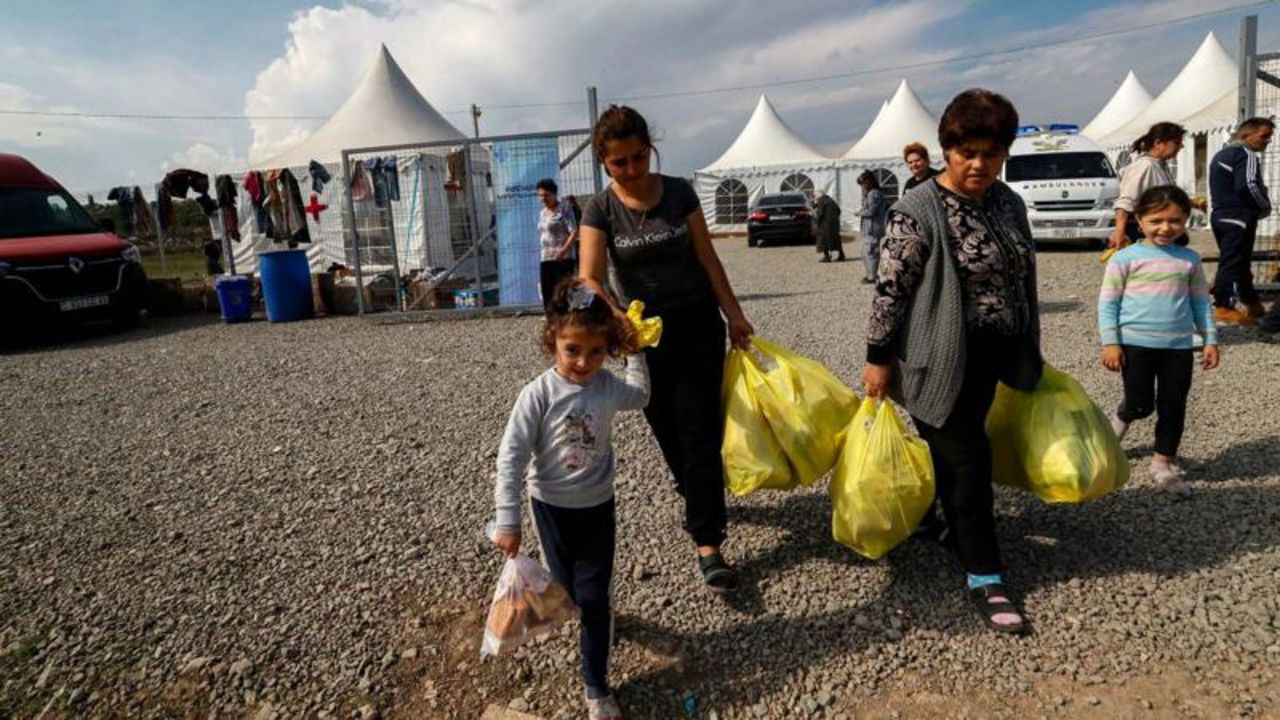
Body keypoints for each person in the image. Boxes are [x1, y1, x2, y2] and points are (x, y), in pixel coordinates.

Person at [863, 89, 1042, 635]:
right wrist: (877, 359)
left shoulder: (1008, 202)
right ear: (947, 150)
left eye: (991, 153)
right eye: (967, 153)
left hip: (995, 353)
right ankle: (984, 574)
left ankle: (942, 524)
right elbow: (890, 291)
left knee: (957, 451)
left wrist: (1031, 344)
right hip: (936, 359)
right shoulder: (917, 210)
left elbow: (1021, 274)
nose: (979, 164)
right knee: (970, 461)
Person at [579, 105, 754, 592]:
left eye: (639, 157)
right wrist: (615, 319)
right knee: (668, 430)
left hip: (698, 324)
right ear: (604, 163)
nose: (633, 170)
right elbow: (589, 277)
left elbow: (708, 258)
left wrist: (734, 314)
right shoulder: (600, 209)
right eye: (620, 163)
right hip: (642, 338)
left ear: (650, 149)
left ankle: (708, 542)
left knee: (699, 429)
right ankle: (698, 491)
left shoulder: (678, 192)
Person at [491, 278, 648, 720]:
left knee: (594, 598)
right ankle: (591, 613)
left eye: (596, 352)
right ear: (553, 342)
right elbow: (511, 457)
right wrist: (508, 518)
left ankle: (597, 685)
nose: (584, 362)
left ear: (607, 349)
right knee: (567, 591)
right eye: (572, 350)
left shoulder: (606, 387)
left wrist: (635, 352)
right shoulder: (537, 394)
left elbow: (641, 397)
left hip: (598, 507)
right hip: (550, 509)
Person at [1099, 185, 1219, 499]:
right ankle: (1117, 425)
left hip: (1178, 347)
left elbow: (1201, 303)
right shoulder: (1124, 259)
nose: (1166, 228)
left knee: (1173, 405)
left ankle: (1163, 461)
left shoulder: (1189, 259)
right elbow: (1108, 303)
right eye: (1156, 220)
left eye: (1175, 221)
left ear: (1185, 221)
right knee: (1139, 403)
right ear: (1140, 220)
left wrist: (1210, 340)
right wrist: (1110, 342)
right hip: (1135, 345)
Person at [1208, 116, 1275, 325]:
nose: (1267, 141)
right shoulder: (1245, 154)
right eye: (1264, 136)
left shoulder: (1221, 154)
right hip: (1238, 216)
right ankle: (1223, 305)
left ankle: (1251, 302)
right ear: (1246, 134)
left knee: (1238, 261)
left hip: (1220, 215)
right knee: (1233, 261)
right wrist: (1264, 205)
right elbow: (1248, 185)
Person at [1109, 122, 1186, 249]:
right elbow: (1126, 202)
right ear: (1158, 143)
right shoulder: (1145, 166)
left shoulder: (1159, 165)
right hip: (1143, 232)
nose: (1181, 146)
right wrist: (1119, 232)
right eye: (1176, 143)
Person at [536, 179, 579, 309]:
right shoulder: (542, 213)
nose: (543, 198)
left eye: (546, 195)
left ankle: (566, 321)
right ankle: (552, 321)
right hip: (546, 257)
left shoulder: (564, 209)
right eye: (540, 195)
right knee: (547, 291)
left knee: (563, 292)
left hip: (563, 258)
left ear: (554, 194)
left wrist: (564, 250)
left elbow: (574, 231)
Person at [857, 171, 888, 284]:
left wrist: (859, 213)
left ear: (868, 182)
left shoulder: (873, 194)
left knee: (870, 252)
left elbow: (871, 211)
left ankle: (872, 276)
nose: (862, 186)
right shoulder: (873, 193)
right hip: (871, 227)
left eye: (862, 184)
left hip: (873, 227)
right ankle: (871, 274)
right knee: (867, 251)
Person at [813, 189, 844, 263]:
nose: (814, 197)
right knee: (836, 240)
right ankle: (841, 255)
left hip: (825, 225)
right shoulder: (830, 200)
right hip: (834, 224)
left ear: (818, 195)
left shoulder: (821, 201)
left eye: (814, 196)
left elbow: (820, 214)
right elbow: (839, 210)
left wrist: (815, 221)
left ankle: (827, 257)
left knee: (823, 241)